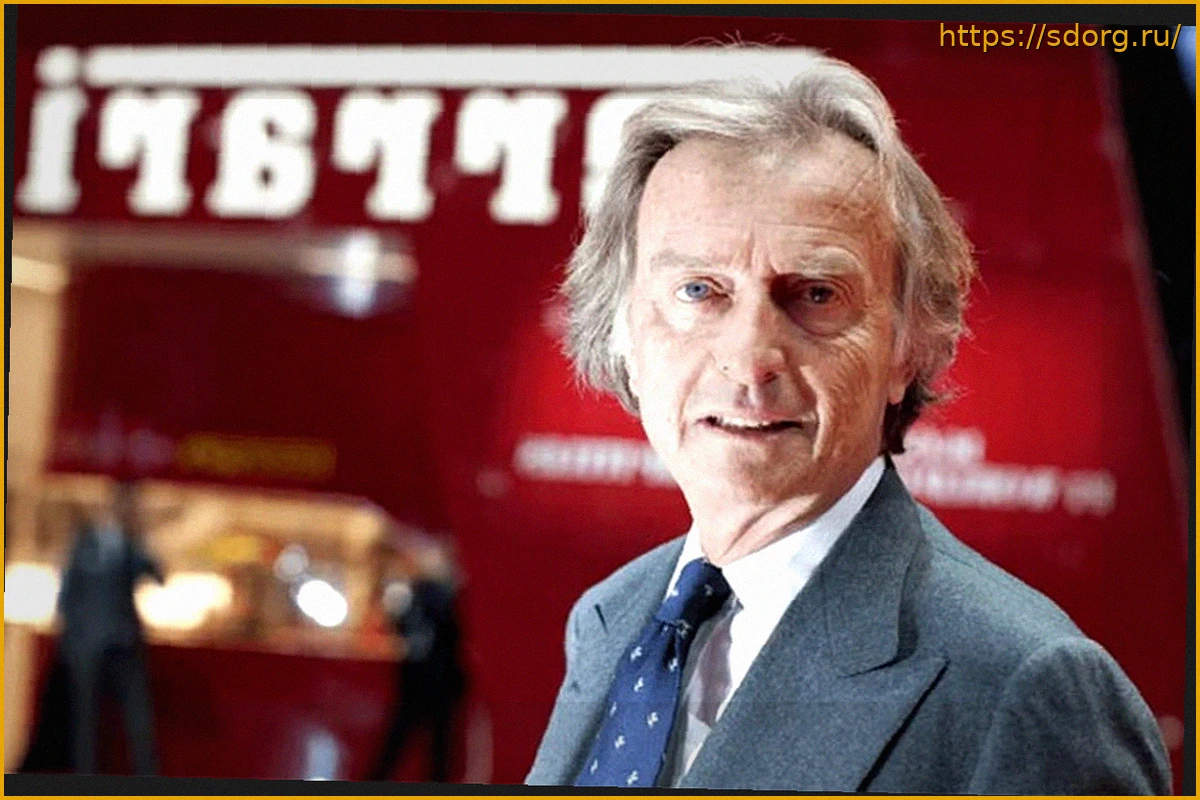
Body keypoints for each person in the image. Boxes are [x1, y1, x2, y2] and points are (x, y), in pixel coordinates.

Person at [526, 55, 1170, 793]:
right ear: (621, 333)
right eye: (699, 290)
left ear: (911, 346)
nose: (750, 359)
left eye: (816, 294)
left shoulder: (1026, 687)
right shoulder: (611, 620)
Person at [57, 481, 163, 775]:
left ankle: (147, 777)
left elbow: (158, 576)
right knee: (85, 718)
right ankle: (85, 777)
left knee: (138, 718)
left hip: (124, 643)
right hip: (88, 645)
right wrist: (71, 639)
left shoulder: (132, 546)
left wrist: (143, 540)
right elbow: (68, 592)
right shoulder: (85, 542)